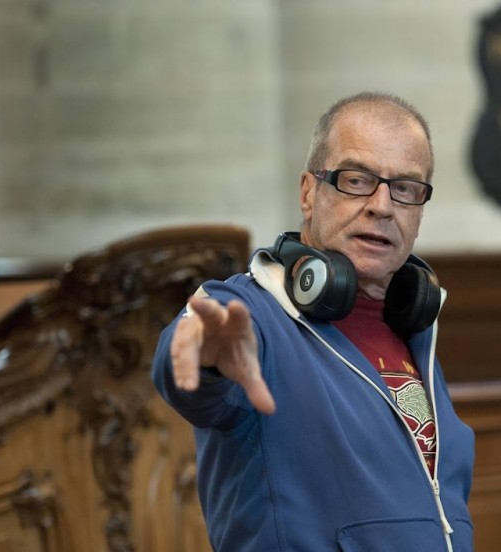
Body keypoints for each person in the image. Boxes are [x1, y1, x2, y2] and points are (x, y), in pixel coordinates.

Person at [152, 92, 475, 551]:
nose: (383, 206)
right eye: (357, 180)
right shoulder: (255, 313)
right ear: (308, 192)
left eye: (405, 188)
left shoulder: (416, 328)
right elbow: (185, 366)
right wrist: (205, 352)